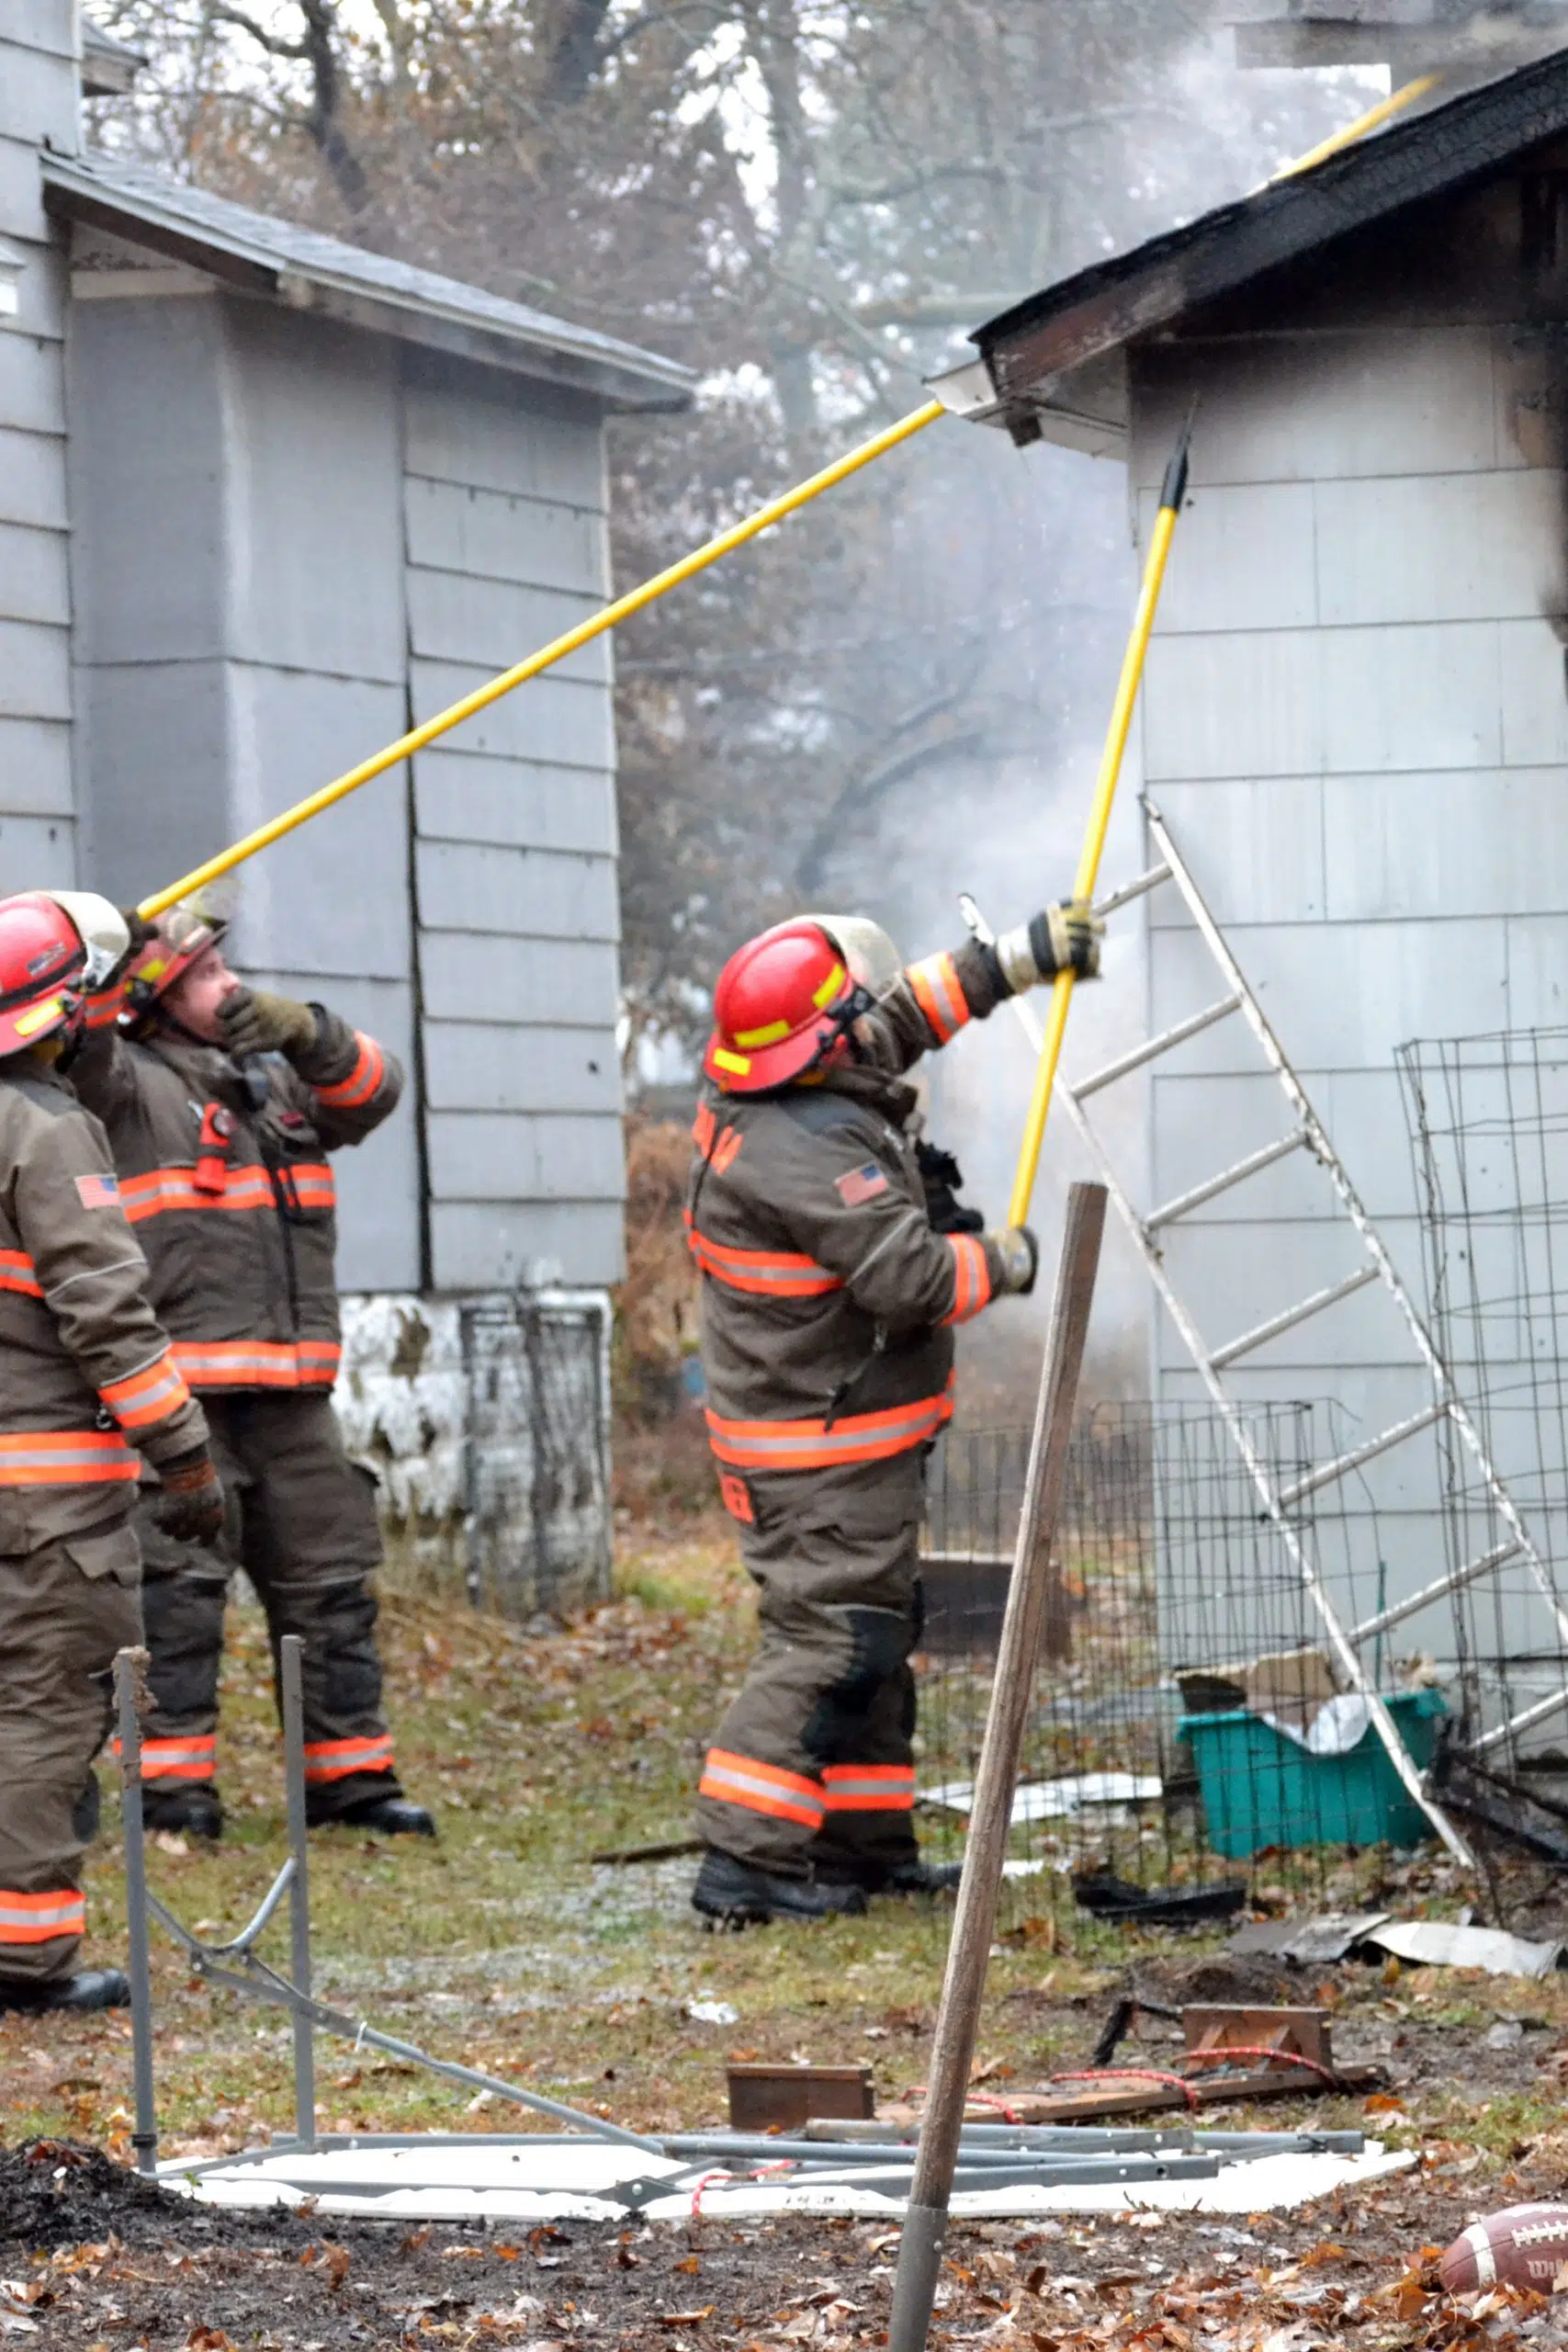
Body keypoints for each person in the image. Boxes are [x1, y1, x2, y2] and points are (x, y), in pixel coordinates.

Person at [686, 899, 1103, 1926]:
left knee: (875, 1638)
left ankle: (864, 1847)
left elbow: (900, 1012)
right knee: (830, 1644)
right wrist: (1003, 1260)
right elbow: (912, 1279)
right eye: (853, 1013)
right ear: (819, 1037)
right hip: (814, 1453)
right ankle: (743, 1858)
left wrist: (1015, 959)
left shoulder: (795, 1077)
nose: (874, 1022)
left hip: (837, 1438)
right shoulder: (802, 1150)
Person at [72, 899, 432, 1842]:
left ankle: (352, 1781)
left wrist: (308, 1030)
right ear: (151, 996)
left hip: (293, 1397)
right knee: (176, 1598)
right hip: (182, 1399)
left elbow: (374, 1092)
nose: (230, 984)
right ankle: (171, 1795)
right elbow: (75, 1047)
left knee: (332, 1585)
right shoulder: (124, 1083)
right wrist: (104, 953)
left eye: (225, 967)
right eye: (203, 974)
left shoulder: (272, 1079)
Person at [0, 890, 224, 2011]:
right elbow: (110, 1318)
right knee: (46, 1708)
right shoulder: (47, 1132)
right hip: (44, 1504)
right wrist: (184, 1454)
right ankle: (23, 1955)